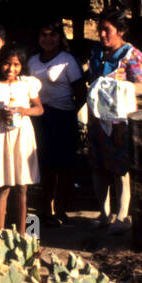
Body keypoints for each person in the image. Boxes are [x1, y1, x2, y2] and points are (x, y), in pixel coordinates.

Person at [85, 15, 142, 230]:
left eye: (107, 29)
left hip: (119, 122)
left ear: (120, 31)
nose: (102, 34)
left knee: (120, 168)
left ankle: (122, 217)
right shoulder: (97, 53)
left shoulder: (132, 55)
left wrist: (113, 86)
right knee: (98, 166)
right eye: (99, 29)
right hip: (96, 118)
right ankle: (104, 214)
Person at [28, 21, 85, 226]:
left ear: (60, 38)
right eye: (44, 35)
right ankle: (45, 209)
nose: (48, 39)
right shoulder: (32, 61)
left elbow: (81, 92)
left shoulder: (68, 61)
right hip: (40, 118)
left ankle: (61, 210)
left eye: (53, 35)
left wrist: (68, 112)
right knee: (45, 165)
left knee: (64, 166)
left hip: (64, 117)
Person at [0, 46, 42, 233]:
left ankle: (23, 233)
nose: (11, 69)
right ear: (1, 63)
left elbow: (39, 109)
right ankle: (0, 231)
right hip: (1, 135)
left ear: (21, 66)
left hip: (22, 135)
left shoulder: (27, 84)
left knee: (21, 187)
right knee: (2, 187)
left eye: (16, 65)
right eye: (7, 64)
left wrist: (25, 111)